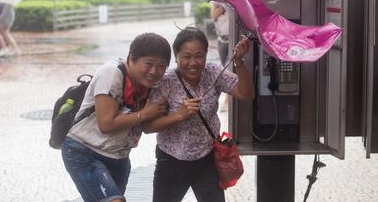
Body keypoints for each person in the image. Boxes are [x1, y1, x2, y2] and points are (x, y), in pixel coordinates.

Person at [142, 27, 255, 202]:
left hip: (207, 159)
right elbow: (148, 127)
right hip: (171, 161)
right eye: (186, 56)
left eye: (199, 55)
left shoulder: (213, 72)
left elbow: (246, 94)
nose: (193, 62)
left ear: (206, 54)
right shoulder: (164, 82)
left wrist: (239, 61)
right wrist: (179, 115)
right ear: (176, 56)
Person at [61, 33, 171, 202]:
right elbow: (106, 123)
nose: (154, 71)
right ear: (131, 58)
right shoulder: (112, 73)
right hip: (85, 152)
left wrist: (180, 115)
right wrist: (145, 113)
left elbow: (147, 127)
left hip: (119, 156)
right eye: (148, 64)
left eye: (161, 66)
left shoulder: (147, 85)